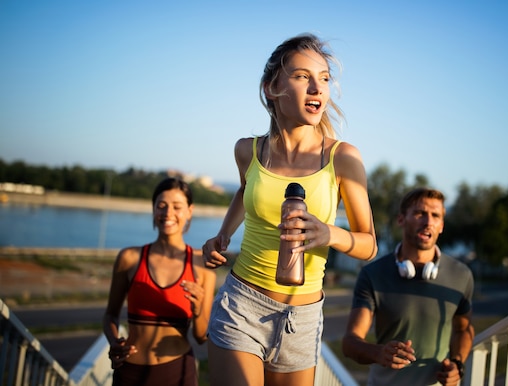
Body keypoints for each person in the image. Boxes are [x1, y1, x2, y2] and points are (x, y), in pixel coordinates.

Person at [202, 33, 378, 386]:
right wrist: (222, 235)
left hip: (304, 317)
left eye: (324, 79)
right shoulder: (247, 151)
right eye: (302, 77)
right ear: (272, 87)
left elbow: (369, 244)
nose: (317, 88)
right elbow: (244, 190)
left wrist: (330, 234)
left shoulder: (342, 158)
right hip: (242, 306)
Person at [342, 188, 474, 386]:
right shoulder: (373, 274)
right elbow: (350, 343)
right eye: (420, 213)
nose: (428, 221)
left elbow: (463, 330)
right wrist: (379, 353)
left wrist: (458, 364)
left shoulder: (462, 275)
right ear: (401, 220)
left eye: (435, 215)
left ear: (441, 226)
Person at [103, 177, 215, 386]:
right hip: (129, 372)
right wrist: (113, 342)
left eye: (177, 207)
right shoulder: (129, 258)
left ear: (189, 211)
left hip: (177, 372)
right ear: (153, 209)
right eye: (161, 206)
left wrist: (198, 308)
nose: (168, 214)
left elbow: (201, 336)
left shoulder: (201, 265)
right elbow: (110, 314)